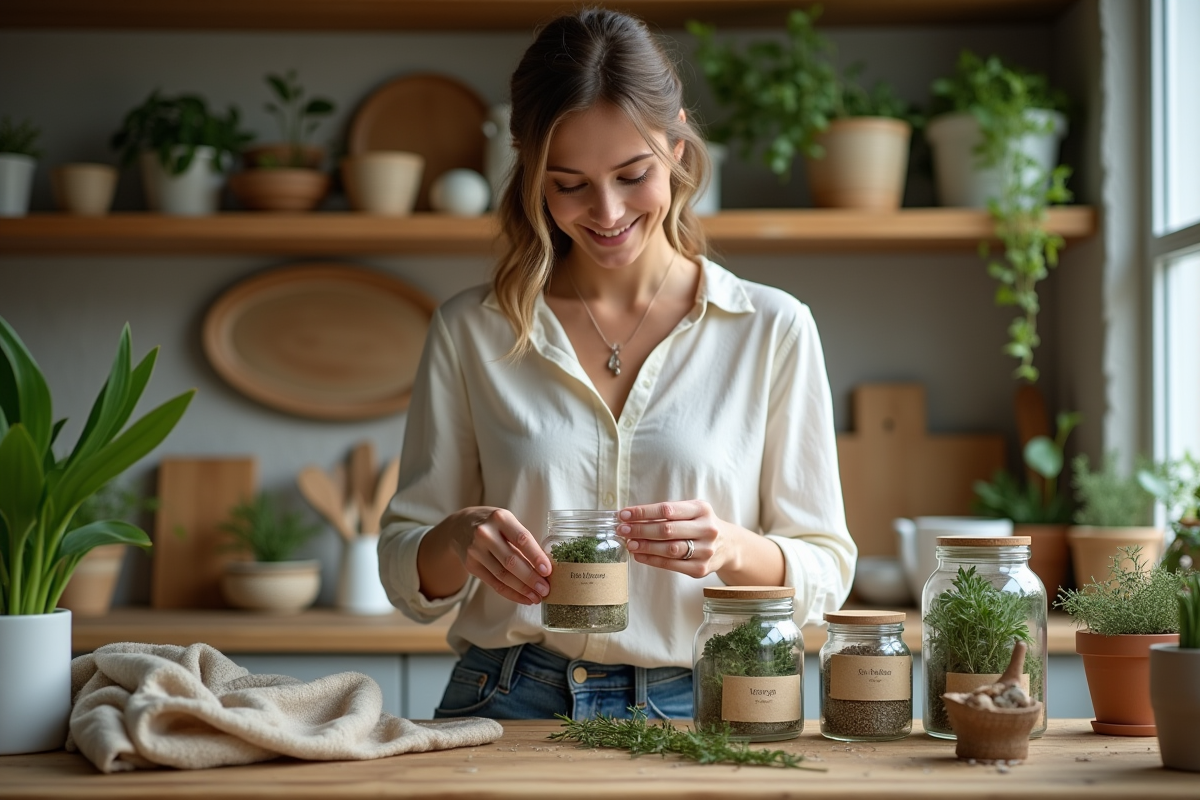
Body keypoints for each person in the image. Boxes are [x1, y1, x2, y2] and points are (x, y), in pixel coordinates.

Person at [378, 7, 855, 721]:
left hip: (706, 701)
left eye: (633, 174)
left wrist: (731, 546)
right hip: (505, 696)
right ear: (531, 175)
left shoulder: (772, 328)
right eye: (568, 184)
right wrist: (455, 540)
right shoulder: (471, 330)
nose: (605, 212)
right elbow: (402, 563)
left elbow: (826, 566)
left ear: (679, 148)